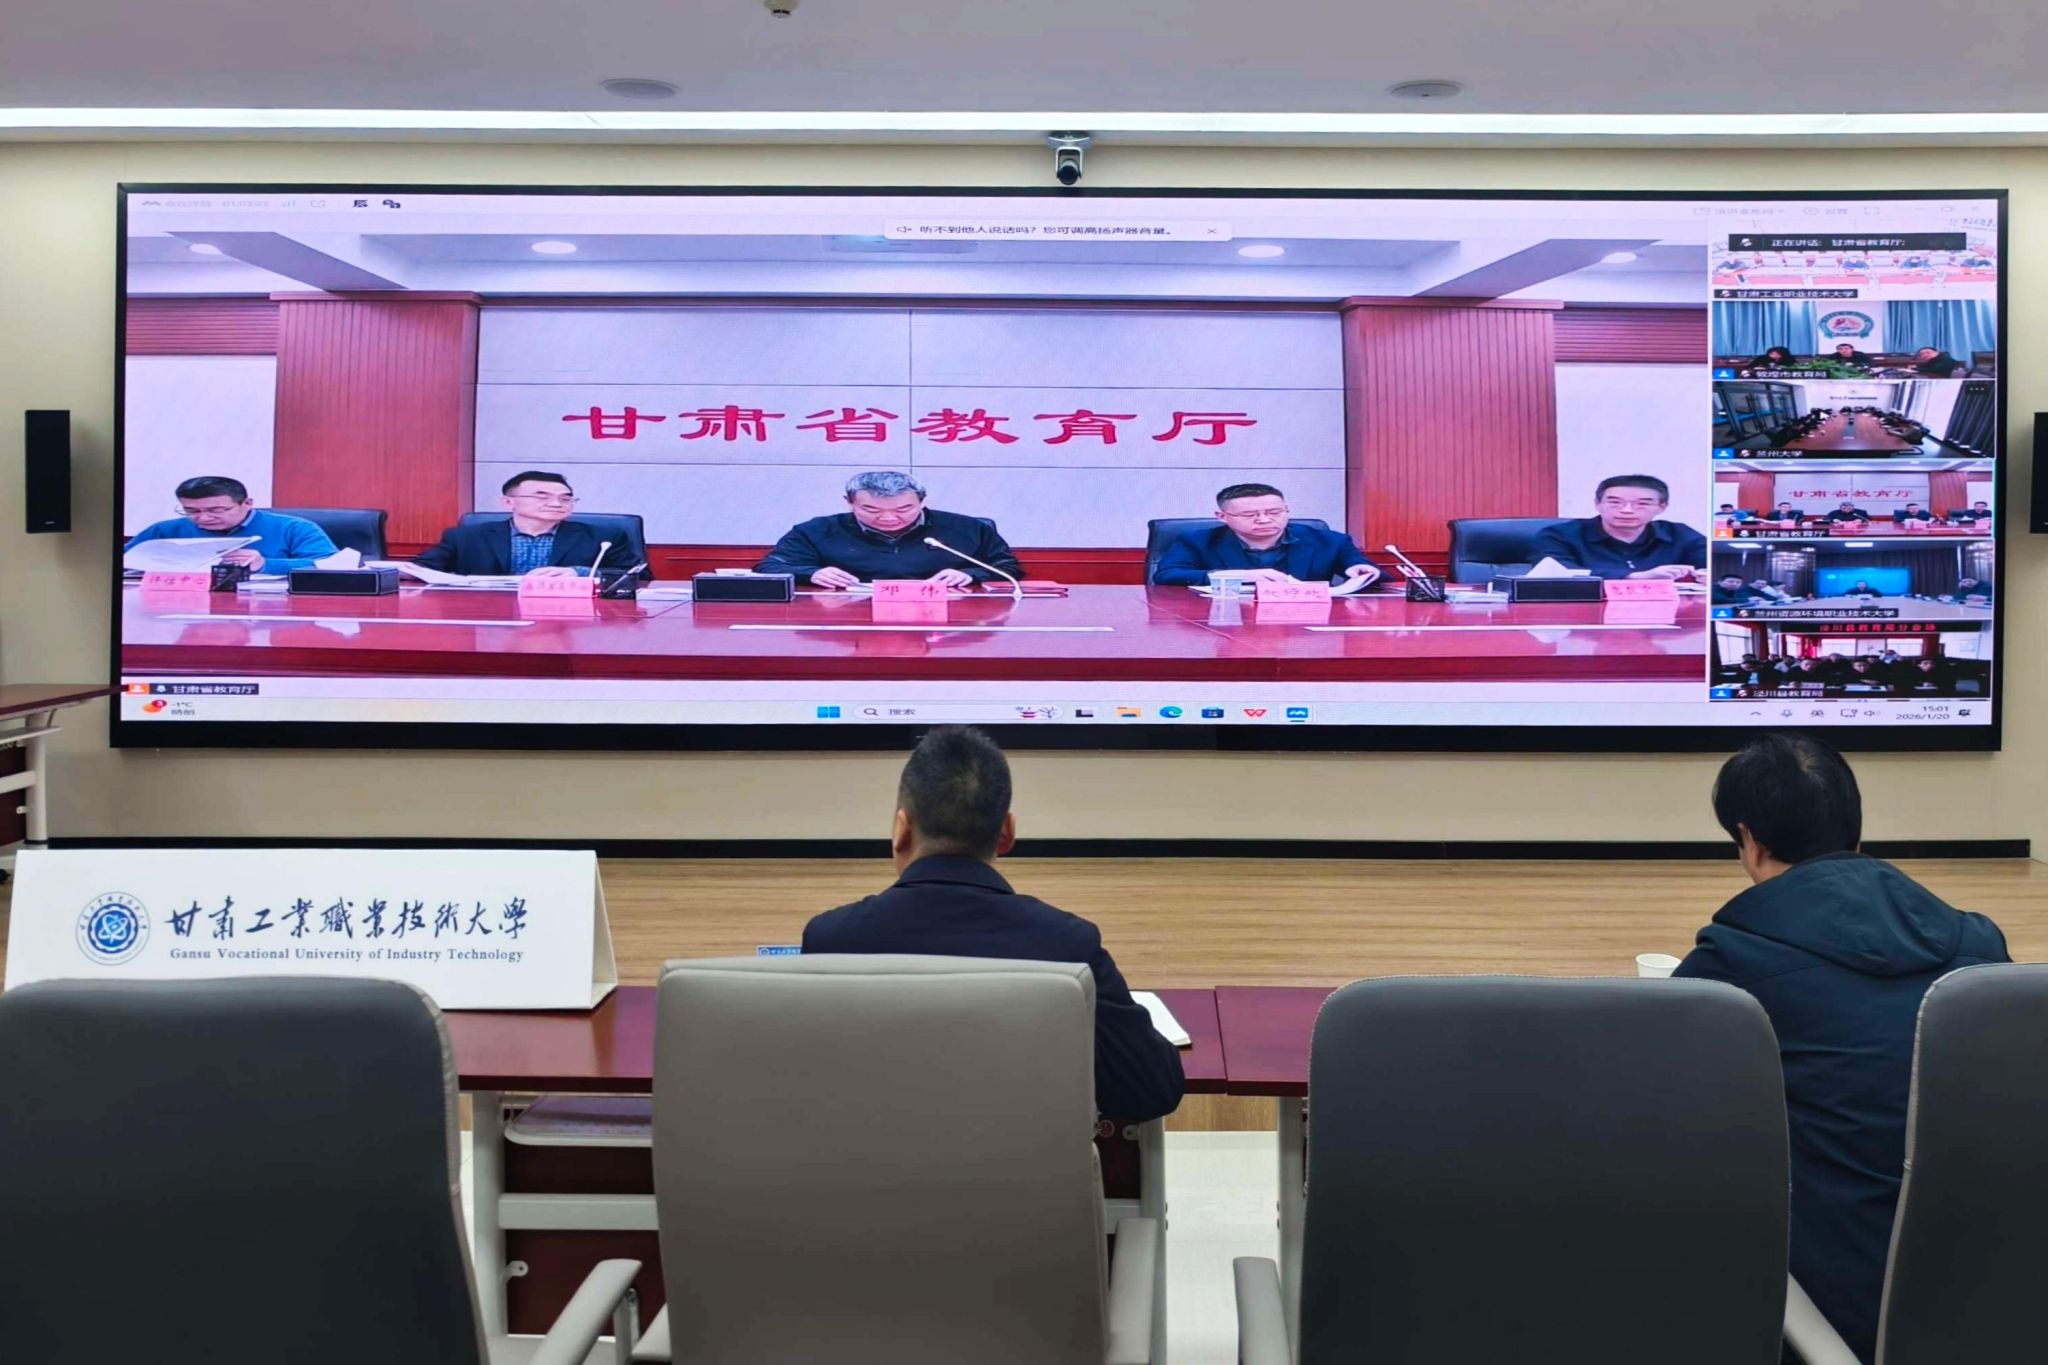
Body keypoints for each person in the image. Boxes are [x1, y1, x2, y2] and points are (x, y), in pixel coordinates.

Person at [1673, 735, 2009, 1363]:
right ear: (1855, 830)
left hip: (1840, 1308)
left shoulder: (1729, 965)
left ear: (1749, 840)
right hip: (1997, 1292)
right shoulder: (1981, 950)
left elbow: (1662, 1121)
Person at [801, 726, 1185, 1122]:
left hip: (869, 1161)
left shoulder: (830, 942)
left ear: (901, 829)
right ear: (1007, 833)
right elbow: (1150, 1090)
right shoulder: (1067, 946)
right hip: (1026, 1164)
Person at [756, 471, 1023, 588]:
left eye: (904, 509)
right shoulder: (816, 530)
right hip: (848, 617)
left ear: (922, 501)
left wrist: (970, 574)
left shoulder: (967, 528)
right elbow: (769, 567)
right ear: (849, 502)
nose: (888, 518)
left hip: (947, 617)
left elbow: (1008, 567)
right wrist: (812, 573)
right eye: (871, 510)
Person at [1151, 483, 1383, 588]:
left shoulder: (1330, 541)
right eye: (1250, 514)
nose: (1263, 520)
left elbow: (1376, 576)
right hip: (1228, 620)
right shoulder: (1197, 541)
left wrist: (1362, 570)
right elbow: (1167, 575)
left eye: (1274, 512)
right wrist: (1242, 576)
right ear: (1222, 516)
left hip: (1303, 623)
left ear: (1287, 510)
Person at [414, 471, 642, 578]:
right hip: (488, 615)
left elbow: (638, 575)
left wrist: (579, 573)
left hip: (571, 616)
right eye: (542, 496)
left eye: (565, 498)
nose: (557, 503)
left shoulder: (604, 536)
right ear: (508, 502)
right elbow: (421, 570)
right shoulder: (466, 536)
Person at [124, 475, 339, 574]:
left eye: (216, 510)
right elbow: (119, 563)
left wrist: (265, 564)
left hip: (267, 609)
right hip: (178, 603)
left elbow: (334, 566)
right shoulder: (165, 530)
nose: (203, 518)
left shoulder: (294, 528)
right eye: (191, 511)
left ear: (247, 503)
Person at [1526, 474, 1707, 580]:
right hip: (1588, 616)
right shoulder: (1559, 535)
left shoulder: (1680, 534)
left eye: (1642, 504)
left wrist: (1708, 578)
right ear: (1597, 503)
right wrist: (1635, 577)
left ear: (1662, 507)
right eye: (1615, 502)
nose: (1627, 510)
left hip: (1670, 614)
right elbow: (1558, 574)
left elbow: (1711, 567)